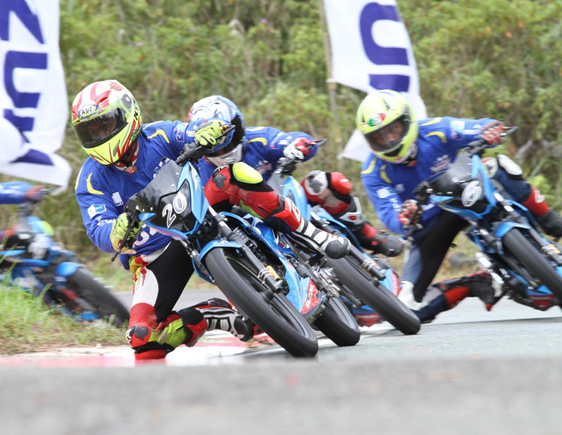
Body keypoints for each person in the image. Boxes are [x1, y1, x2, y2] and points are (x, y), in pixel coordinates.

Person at [72, 80, 349, 361]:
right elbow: (97, 228)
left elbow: (189, 131)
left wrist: (209, 130)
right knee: (143, 339)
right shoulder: (90, 180)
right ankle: (215, 316)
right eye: (90, 131)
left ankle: (308, 232)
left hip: (199, 210)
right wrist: (115, 232)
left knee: (233, 174)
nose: (100, 134)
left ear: (127, 114)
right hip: (155, 255)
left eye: (105, 125)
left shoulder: (159, 134)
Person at [357, 89, 562, 322]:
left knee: (497, 166)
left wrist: (489, 130)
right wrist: (404, 217)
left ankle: (549, 219)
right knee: (405, 313)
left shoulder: (435, 129)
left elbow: (472, 127)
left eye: (392, 130)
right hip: (431, 222)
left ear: (406, 121)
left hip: (468, 191)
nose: (388, 141)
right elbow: (390, 215)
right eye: (378, 137)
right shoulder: (372, 171)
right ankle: (471, 284)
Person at [187, 95, 403, 257]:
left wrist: (297, 146)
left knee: (322, 183)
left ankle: (370, 235)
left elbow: (291, 139)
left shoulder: (258, 138)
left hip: (286, 198)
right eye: (213, 146)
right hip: (246, 224)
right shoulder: (197, 170)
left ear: (239, 128)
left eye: (228, 140)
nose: (223, 150)